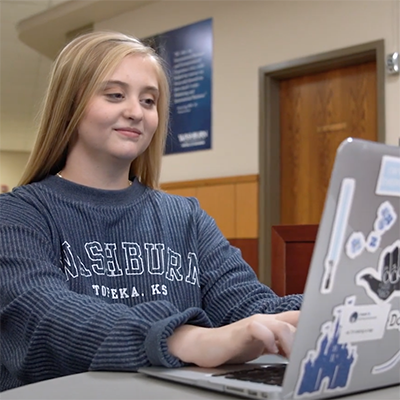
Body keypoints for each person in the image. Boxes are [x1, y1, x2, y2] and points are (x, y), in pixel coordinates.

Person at [0, 31, 302, 392]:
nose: (135, 112)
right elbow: (43, 315)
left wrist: (318, 310)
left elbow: (246, 305)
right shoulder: (17, 214)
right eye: (114, 95)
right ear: (70, 104)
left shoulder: (186, 217)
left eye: (148, 100)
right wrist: (182, 339)